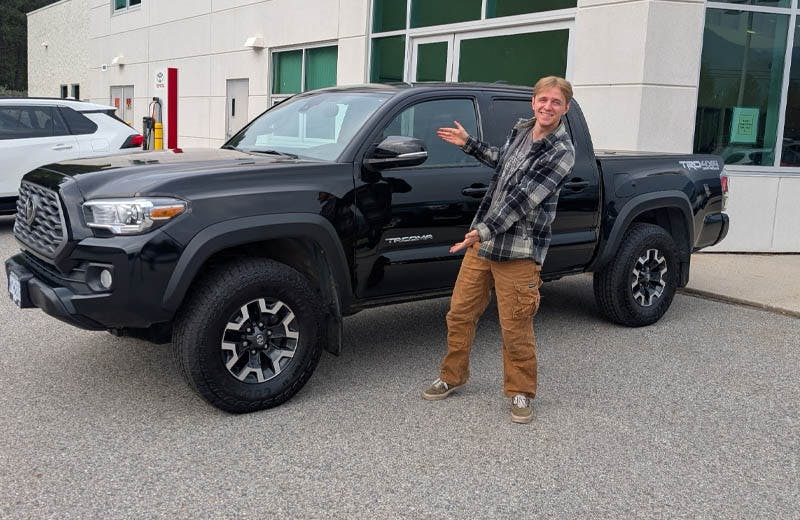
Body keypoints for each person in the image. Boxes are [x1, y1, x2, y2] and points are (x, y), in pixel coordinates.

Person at [422, 76, 576, 424]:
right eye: (542, 100)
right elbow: (502, 161)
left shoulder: (562, 151)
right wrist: (469, 144)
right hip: (485, 243)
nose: (547, 107)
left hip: (519, 250)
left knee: (515, 324)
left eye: (555, 102)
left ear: (565, 108)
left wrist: (481, 230)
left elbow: (524, 199)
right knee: (460, 313)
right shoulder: (522, 130)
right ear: (533, 102)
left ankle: (521, 392)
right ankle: (452, 375)